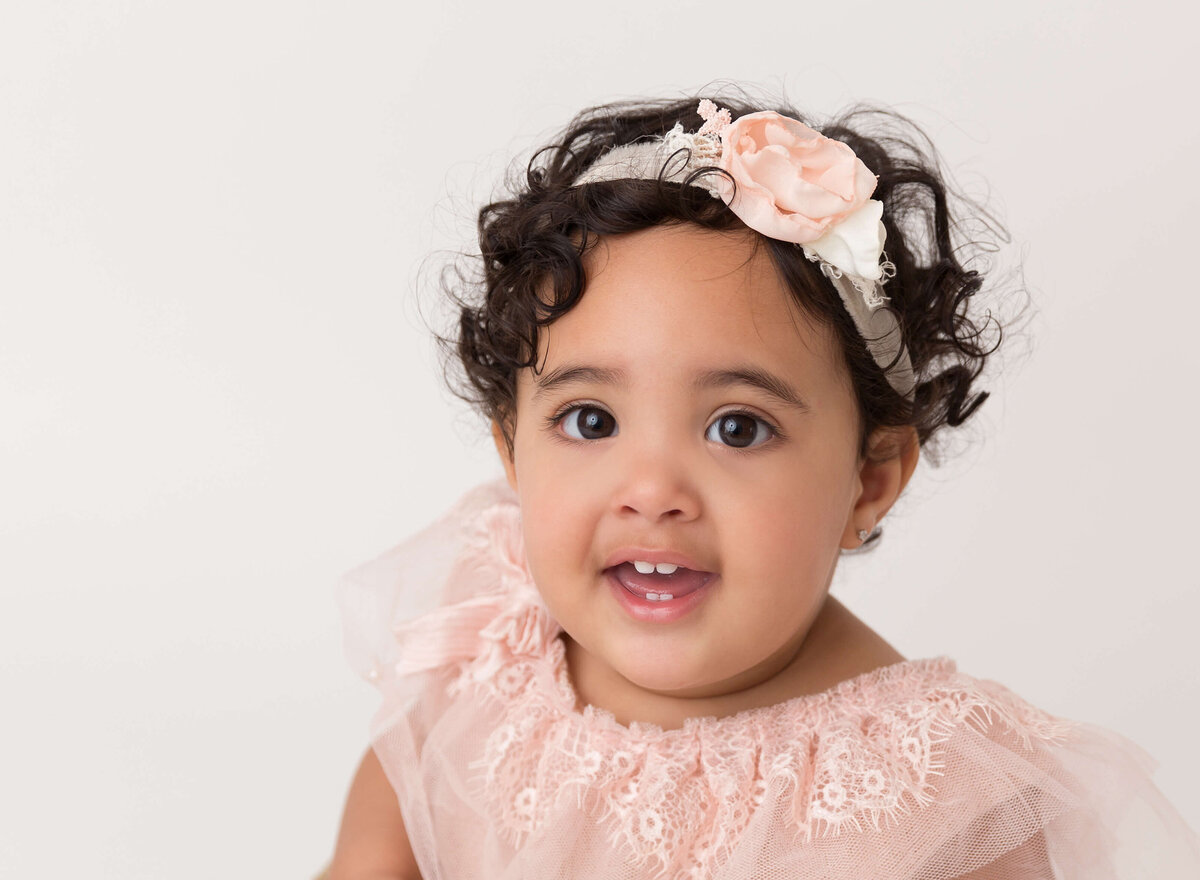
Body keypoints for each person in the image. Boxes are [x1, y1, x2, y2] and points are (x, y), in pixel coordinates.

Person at [326, 95, 1200, 879]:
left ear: (869, 481)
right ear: (511, 452)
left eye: (736, 427)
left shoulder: (933, 808)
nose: (653, 490)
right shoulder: (484, 659)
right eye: (591, 421)